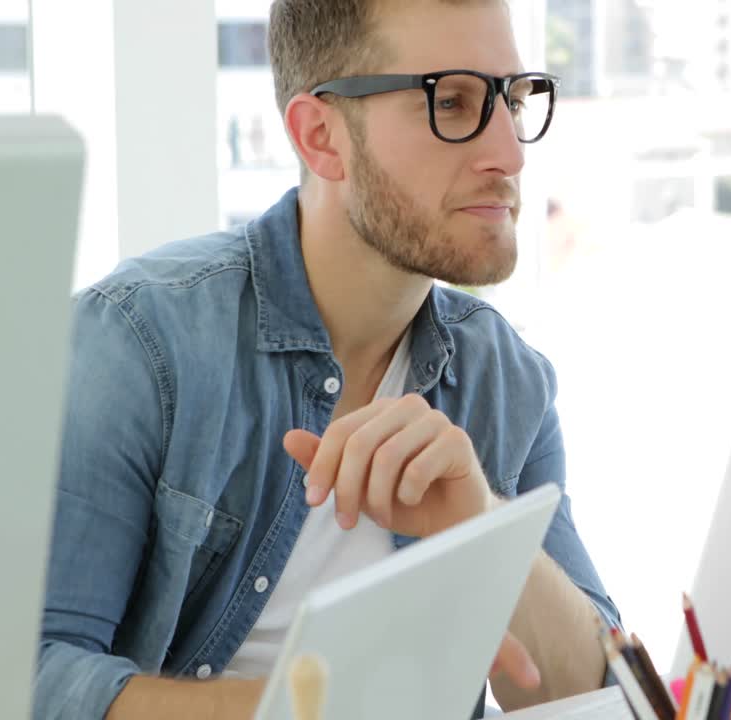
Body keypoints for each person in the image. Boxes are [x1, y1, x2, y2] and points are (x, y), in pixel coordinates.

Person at [33, 1, 619, 718]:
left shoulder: (506, 381)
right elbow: (29, 680)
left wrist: (484, 522)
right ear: (320, 137)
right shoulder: (139, 343)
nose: (511, 153)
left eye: (514, 99)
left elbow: (601, 697)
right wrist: (307, 706)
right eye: (454, 102)